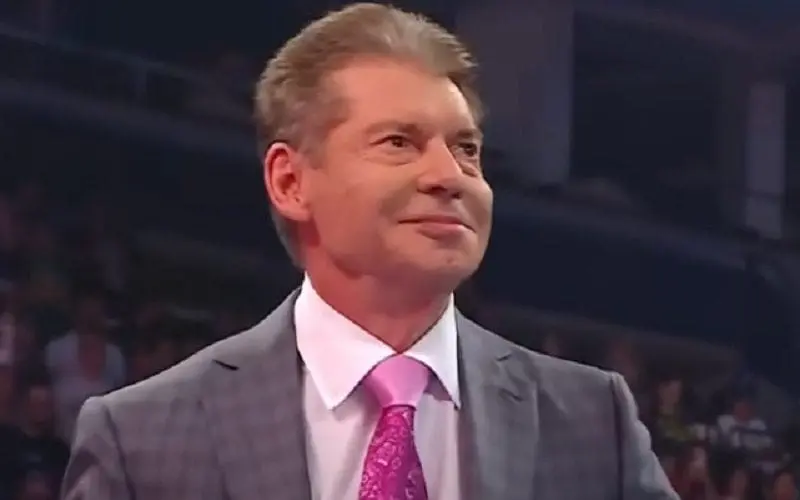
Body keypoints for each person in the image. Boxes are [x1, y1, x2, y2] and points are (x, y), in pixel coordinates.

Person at [61, 3, 677, 500]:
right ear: (290, 182)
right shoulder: (143, 438)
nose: (450, 175)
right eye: (399, 143)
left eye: (466, 149)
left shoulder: (593, 422)